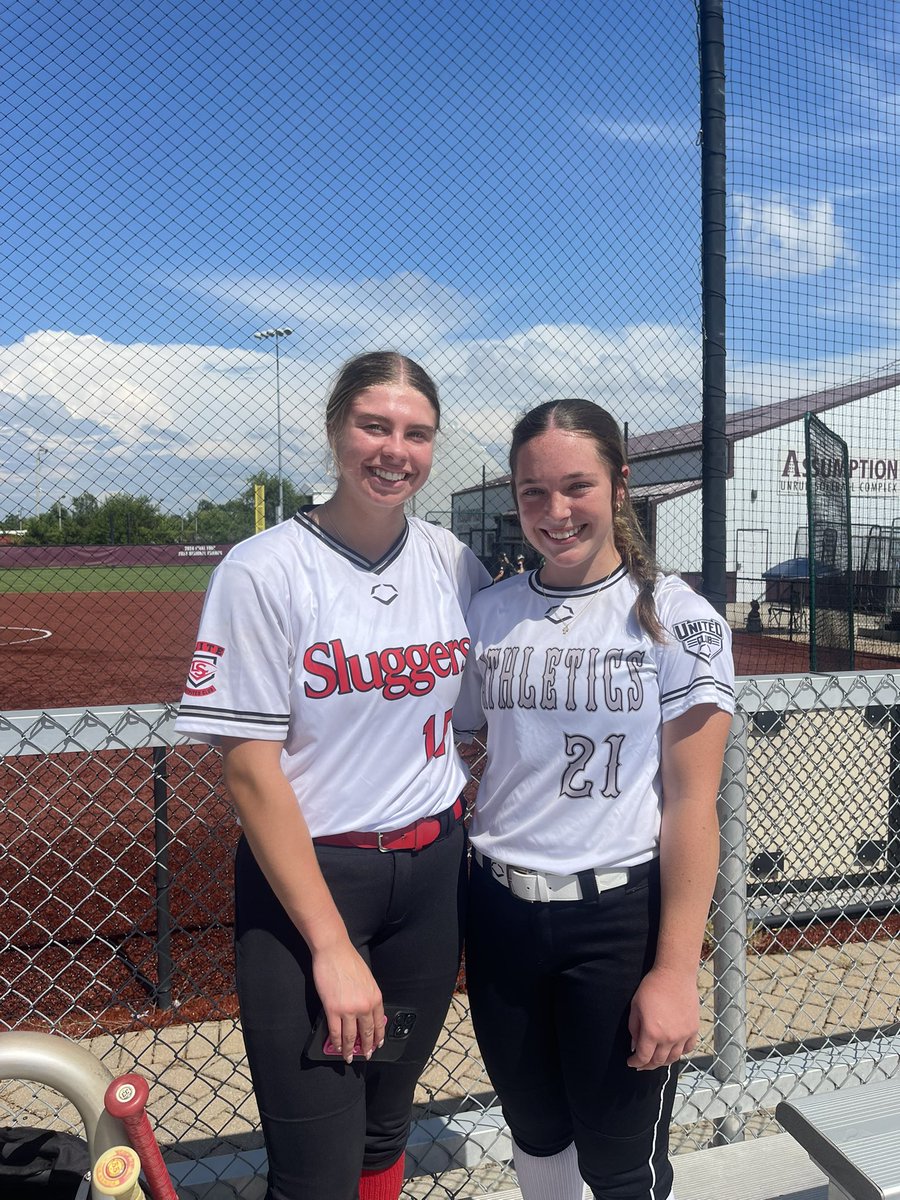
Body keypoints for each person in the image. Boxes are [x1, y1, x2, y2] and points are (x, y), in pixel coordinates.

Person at [175, 352, 490, 1200]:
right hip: (313, 886)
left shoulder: (452, 562)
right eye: (373, 426)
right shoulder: (263, 568)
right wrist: (331, 947)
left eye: (416, 433)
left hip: (431, 881)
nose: (395, 451)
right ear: (334, 430)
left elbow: (487, 714)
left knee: (386, 1125)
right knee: (314, 1166)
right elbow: (250, 772)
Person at [455, 399, 734, 1200]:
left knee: (618, 1163)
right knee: (536, 1133)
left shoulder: (677, 618)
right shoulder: (490, 612)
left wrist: (675, 970)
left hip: (617, 918)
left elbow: (692, 807)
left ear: (619, 484)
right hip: (500, 912)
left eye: (576, 485)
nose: (555, 511)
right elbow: (457, 739)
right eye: (533, 492)